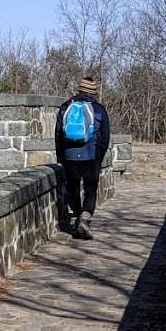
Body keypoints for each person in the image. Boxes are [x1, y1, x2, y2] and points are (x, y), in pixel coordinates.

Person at [54, 76, 111, 240]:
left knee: (73, 189)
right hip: (91, 155)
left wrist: (60, 156)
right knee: (90, 190)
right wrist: (99, 156)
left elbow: (58, 133)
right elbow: (105, 136)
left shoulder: (66, 106)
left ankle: (78, 217)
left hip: (69, 156)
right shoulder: (99, 109)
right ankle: (84, 220)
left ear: (79, 90)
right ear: (93, 92)